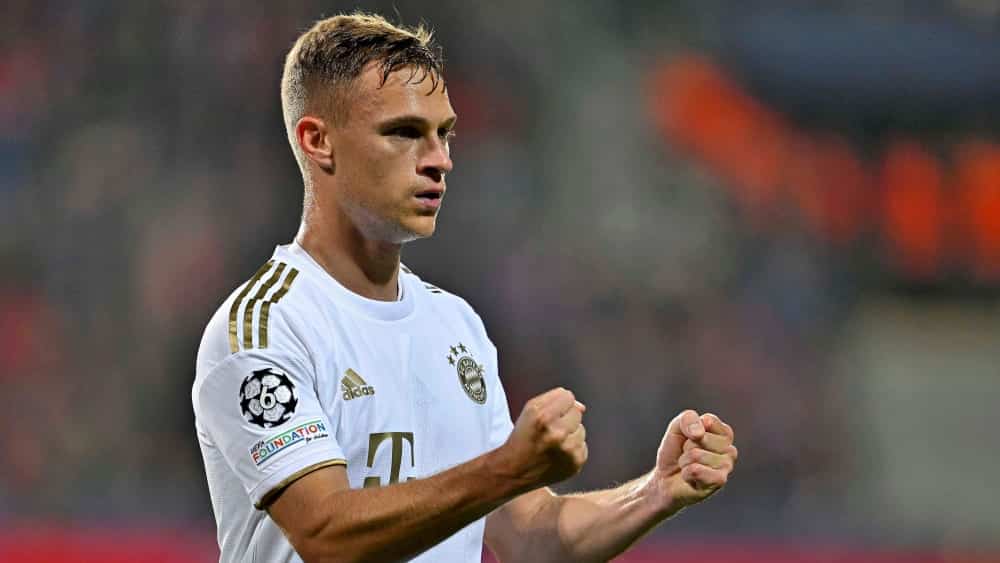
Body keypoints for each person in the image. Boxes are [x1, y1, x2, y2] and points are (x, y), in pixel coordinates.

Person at [192, 13, 738, 563]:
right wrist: (507, 469)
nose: (440, 160)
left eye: (444, 133)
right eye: (404, 133)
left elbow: (528, 536)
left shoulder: (456, 326)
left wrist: (655, 492)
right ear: (318, 141)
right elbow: (326, 534)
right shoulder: (264, 329)